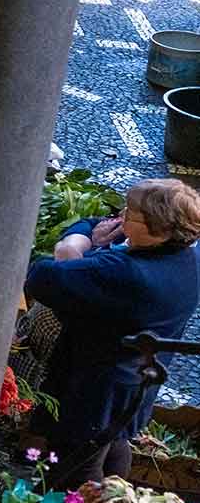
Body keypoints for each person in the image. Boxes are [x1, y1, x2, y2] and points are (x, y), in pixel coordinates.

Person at [27, 179, 200, 487]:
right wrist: (95, 239)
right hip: (135, 381)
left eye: (129, 215)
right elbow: (97, 227)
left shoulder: (124, 272)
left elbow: (42, 276)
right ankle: (115, 499)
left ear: (154, 229)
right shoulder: (189, 258)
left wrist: (74, 246)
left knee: (77, 465)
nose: (120, 217)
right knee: (114, 442)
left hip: (94, 386)